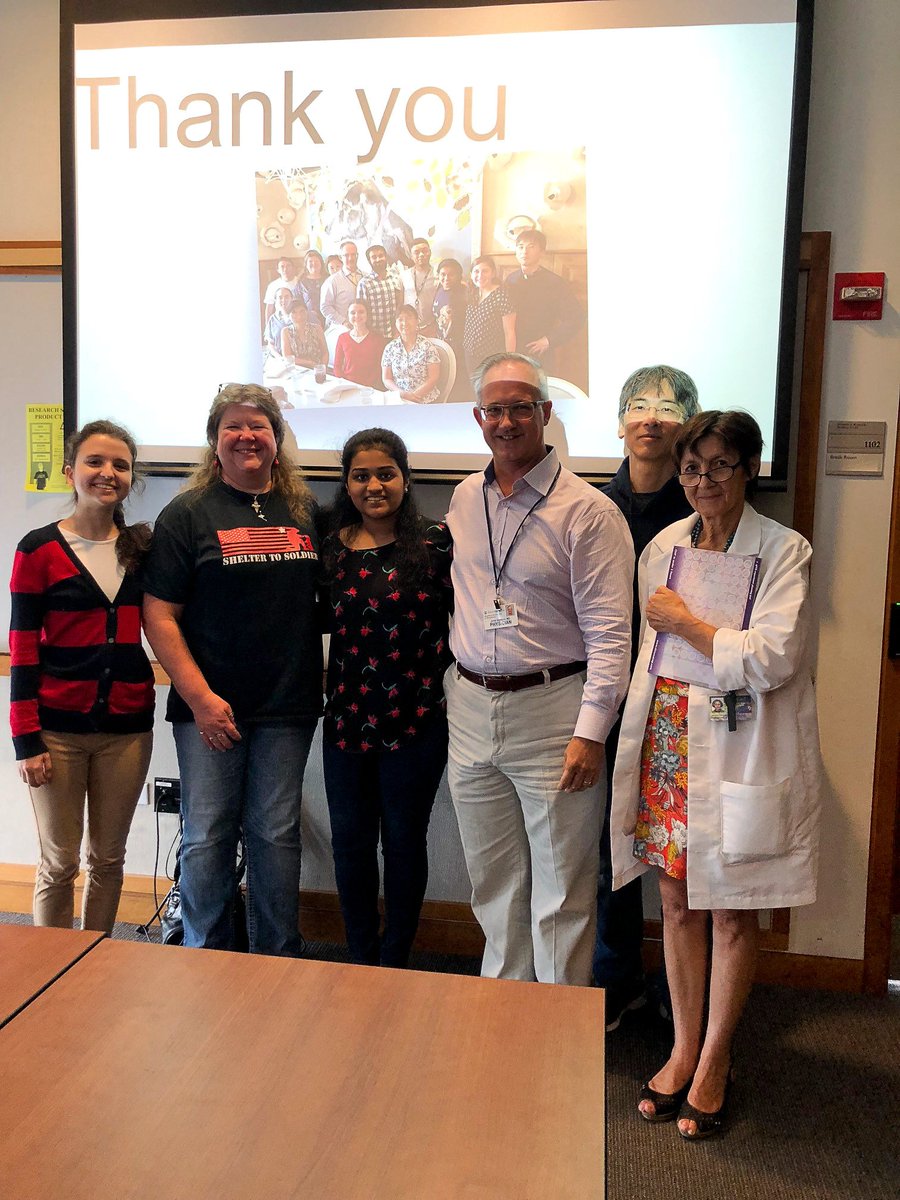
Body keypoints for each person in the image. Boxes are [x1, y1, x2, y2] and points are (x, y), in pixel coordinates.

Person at [610, 409, 823, 1138]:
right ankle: (681, 1047)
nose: (704, 481)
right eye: (691, 468)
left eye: (720, 466)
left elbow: (772, 658)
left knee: (733, 909)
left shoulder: (785, 550)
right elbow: (650, 654)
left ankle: (716, 1059)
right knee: (675, 906)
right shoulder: (664, 546)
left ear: (750, 469)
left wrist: (690, 625)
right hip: (671, 747)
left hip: (740, 748)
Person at [445, 352, 633, 986]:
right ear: (478, 418)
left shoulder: (589, 512)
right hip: (471, 709)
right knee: (493, 883)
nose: (506, 420)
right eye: (494, 408)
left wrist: (590, 735)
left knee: (561, 892)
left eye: (520, 406)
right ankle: (505, 1018)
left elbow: (611, 638)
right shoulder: (465, 497)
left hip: (555, 713)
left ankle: (555, 1040)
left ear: (546, 414)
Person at [143, 384, 322, 955]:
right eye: (233, 427)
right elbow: (159, 615)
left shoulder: (304, 510)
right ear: (214, 443)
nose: (247, 435)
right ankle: (206, 953)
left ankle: (278, 956)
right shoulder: (187, 514)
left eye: (259, 426)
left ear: (276, 439)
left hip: (287, 706)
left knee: (276, 834)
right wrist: (199, 700)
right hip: (207, 709)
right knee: (207, 837)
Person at [9, 420, 155, 932]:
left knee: (109, 861)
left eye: (120, 465)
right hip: (55, 731)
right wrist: (26, 739)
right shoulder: (38, 549)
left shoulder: (142, 549)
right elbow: (23, 649)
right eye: (95, 462)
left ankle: (95, 960)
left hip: (127, 731)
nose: (107, 473)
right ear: (71, 471)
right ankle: (49, 974)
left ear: (131, 479)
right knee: (60, 863)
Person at [320, 428, 453, 967]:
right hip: (346, 723)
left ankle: (396, 958)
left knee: (403, 844)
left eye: (385, 473)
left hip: (417, 722)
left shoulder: (439, 542)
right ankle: (360, 955)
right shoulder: (328, 549)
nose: (374, 485)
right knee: (350, 847)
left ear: (405, 477)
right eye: (360, 475)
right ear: (346, 484)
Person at [595, 364, 701, 1029]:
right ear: (619, 422)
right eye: (638, 405)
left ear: (688, 423)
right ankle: (616, 974)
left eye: (667, 406)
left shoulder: (704, 513)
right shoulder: (589, 505)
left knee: (676, 851)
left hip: (678, 700)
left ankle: (678, 982)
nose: (651, 417)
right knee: (610, 843)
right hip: (603, 694)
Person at [505, 229, 584, 375]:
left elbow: (576, 317)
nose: (524, 252)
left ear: (542, 252)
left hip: (539, 352)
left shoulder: (554, 282)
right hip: (512, 350)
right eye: (521, 247)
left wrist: (549, 340)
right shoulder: (510, 279)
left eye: (531, 246)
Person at [463, 255, 516, 378]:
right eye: (476, 271)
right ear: (471, 274)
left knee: (490, 391)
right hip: (469, 353)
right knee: (475, 389)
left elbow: (510, 332)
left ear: (493, 273)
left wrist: (510, 360)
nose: (480, 275)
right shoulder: (473, 292)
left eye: (485, 271)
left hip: (491, 356)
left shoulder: (502, 296)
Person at [381, 305, 441, 404]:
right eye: (400, 319)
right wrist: (401, 394)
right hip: (399, 399)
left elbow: (433, 378)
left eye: (409, 318)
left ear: (417, 321)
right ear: (395, 323)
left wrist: (414, 396)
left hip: (424, 400)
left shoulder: (427, 347)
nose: (405, 323)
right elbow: (386, 378)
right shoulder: (390, 348)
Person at [433, 259, 471, 402]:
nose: (446, 278)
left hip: (459, 348)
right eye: (443, 274)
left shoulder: (464, 293)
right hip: (443, 345)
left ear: (459, 276)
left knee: (458, 385)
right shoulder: (439, 290)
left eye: (451, 275)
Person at [332, 298, 387, 390]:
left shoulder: (378, 339)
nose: (357, 315)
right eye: (353, 313)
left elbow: (379, 367)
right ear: (348, 316)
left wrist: (367, 386)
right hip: (347, 386)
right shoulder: (342, 338)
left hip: (370, 388)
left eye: (361, 312)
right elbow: (337, 366)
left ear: (367, 314)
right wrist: (343, 383)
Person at [356, 243, 402, 339]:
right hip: (373, 335)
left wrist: (397, 330)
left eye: (381, 256)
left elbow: (399, 305)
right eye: (374, 257)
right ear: (369, 261)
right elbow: (361, 311)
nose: (378, 259)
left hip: (394, 333)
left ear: (386, 257)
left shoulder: (395, 278)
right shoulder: (364, 283)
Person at [320, 239, 362, 329]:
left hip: (363, 328)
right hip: (342, 328)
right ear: (340, 257)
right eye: (346, 255)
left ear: (357, 256)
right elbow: (325, 307)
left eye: (353, 254)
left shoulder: (365, 277)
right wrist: (343, 322)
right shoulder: (332, 281)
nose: (350, 258)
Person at [399, 237, 438, 334]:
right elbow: (399, 302)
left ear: (430, 252)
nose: (421, 255)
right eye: (416, 252)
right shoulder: (404, 275)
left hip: (430, 326)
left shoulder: (437, 274)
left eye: (425, 251)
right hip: (408, 327)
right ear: (411, 256)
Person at [280, 298, 329, 368]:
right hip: (296, 370)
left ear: (307, 312)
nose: (299, 316)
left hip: (317, 369)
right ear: (289, 315)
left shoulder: (317, 329)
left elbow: (325, 353)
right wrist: (309, 363)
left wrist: (322, 368)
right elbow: (287, 357)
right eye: (294, 312)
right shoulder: (286, 332)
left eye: (302, 311)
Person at [263, 256, 301, 321]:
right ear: (278, 270)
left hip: (298, 319)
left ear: (293, 268)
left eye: (288, 266)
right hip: (280, 320)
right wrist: (268, 327)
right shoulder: (273, 286)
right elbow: (269, 308)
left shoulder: (300, 282)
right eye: (282, 267)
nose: (285, 269)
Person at [297, 250, 328, 324]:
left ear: (321, 263)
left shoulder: (328, 279)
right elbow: (298, 302)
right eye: (310, 261)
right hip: (309, 319)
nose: (314, 263)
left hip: (328, 317)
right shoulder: (301, 282)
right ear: (306, 265)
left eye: (316, 261)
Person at [264, 286, 294, 357]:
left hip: (296, 359)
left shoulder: (298, 317)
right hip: (278, 358)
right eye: (280, 297)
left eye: (286, 297)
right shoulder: (273, 319)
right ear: (276, 300)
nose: (283, 300)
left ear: (292, 299)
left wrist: (284, 312)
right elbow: (270, 344)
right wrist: (279, 357)